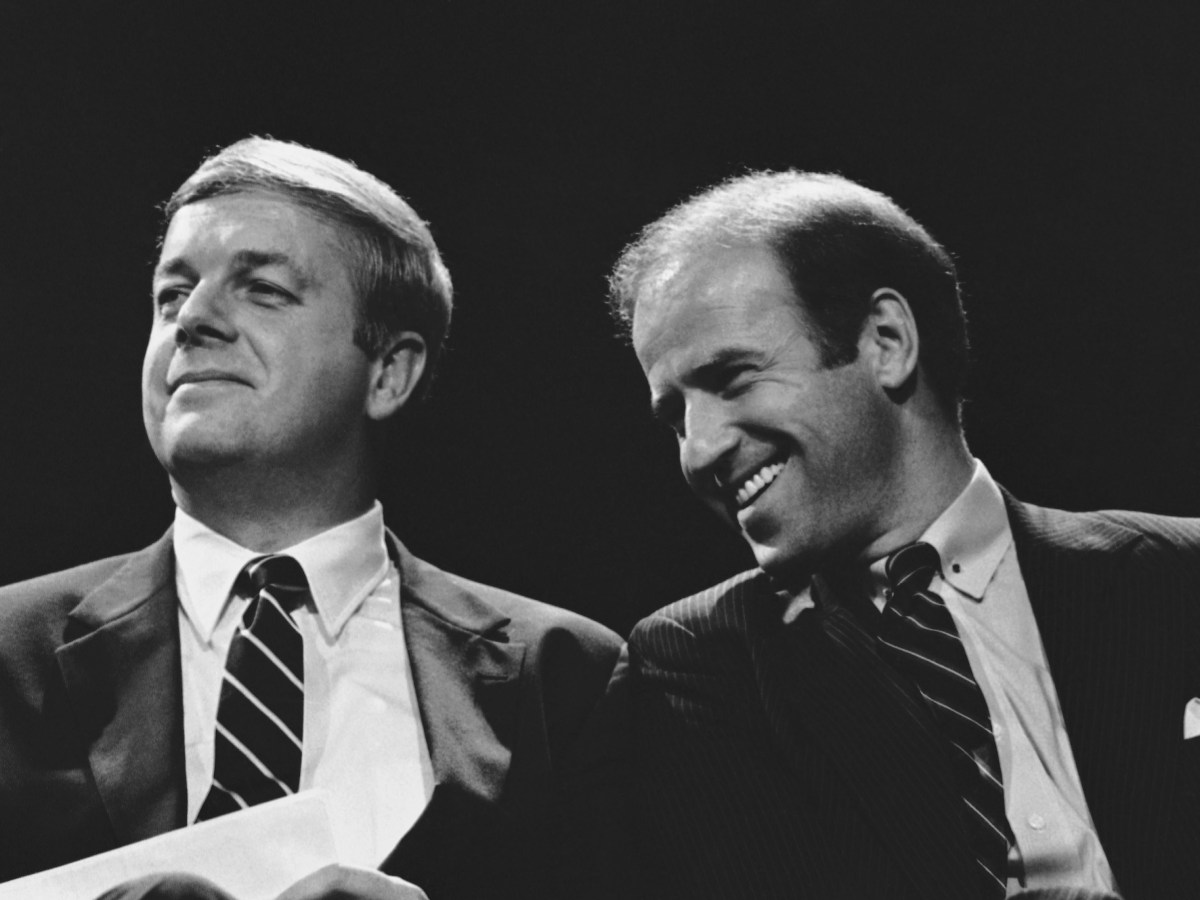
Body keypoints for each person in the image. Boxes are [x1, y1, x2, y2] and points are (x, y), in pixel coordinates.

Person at [0, 137, 626, 900]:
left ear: (389, 373)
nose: (192, 319)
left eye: (263, 289)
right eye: (171, 294)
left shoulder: (566, 676)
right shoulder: (8, 653)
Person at [607, 170, 1200, 900]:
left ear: (887, 342)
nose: (699, 451)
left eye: (732, 379)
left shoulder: (1183, 575)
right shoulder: (699, 663)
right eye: (675, 417)